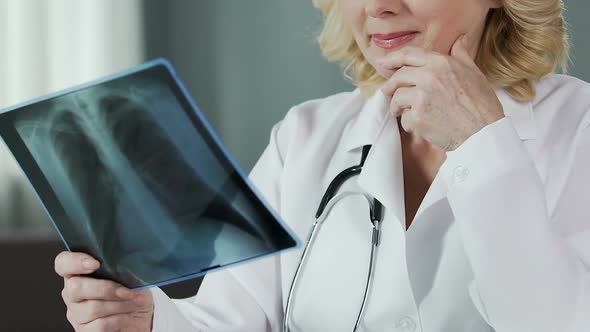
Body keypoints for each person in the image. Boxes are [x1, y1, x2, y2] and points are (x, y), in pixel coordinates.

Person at [54, 0, 590, 331]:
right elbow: (227, 321)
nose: (379, 5)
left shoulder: (579, 129)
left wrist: (482, 144)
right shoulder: (304, 138)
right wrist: (149, 323)